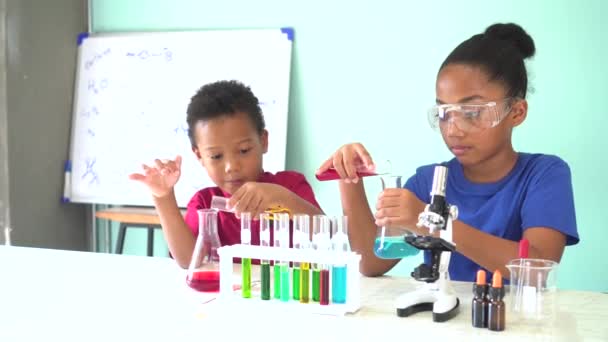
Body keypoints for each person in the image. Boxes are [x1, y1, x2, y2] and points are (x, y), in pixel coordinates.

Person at [317, 23, 579, 281]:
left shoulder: (543, 175)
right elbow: (372, 263)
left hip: (517, 321)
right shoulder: (428, 182)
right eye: (443, 113)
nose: (453, 129)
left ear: (517, 112)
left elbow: (535, 269)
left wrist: (434, 223)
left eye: (473, 112)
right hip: (445, 321)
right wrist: (348, 177)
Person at [130, 80, 323, 268]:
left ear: (263, 141)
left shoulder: (290, 186)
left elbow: (327, 236)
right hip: (229, 298)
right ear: (199, 156)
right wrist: (163, 197)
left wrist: (284, 199)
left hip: (287, 296)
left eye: (244, 150)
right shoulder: (205, 203)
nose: (231, 166)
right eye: (216, 156)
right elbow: (189, 261)